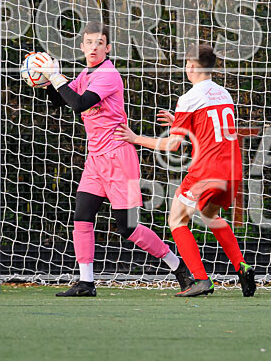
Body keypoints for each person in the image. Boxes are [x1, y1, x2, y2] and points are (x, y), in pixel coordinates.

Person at [36, 21, 193, 297]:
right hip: (95, 160)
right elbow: (61, 101)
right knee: (82, 218)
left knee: (128, 228)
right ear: (82, 46)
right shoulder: (85, 74)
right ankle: (86, 282)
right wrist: (46, 81)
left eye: (99, 43)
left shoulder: (109, 75)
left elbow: (80, 104)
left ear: (107, 48)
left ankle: (178, 267)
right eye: (89, 42)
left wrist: (55, 77)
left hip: (119, 158)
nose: (93, 47)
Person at [115, 43, 256, 297]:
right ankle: (241, 265)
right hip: (232, 169)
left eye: (187, 64)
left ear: (191, 66)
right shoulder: (224, 94)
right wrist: (181, 122)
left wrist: (135, 138)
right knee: (210, 216)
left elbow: (173, 145)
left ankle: (201, 279)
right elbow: (210, 132)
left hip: (207, 170)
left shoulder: (189, 98)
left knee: (177, 220)